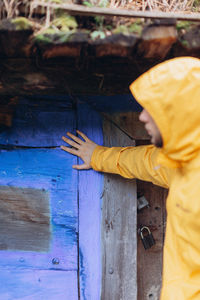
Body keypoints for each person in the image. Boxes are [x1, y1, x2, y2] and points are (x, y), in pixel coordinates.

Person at [61, 56, 200, 300]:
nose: (143, 117)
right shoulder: (183, 164)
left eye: (152, 108)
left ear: (177, 112)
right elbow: (147, 162)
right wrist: (98, 156)